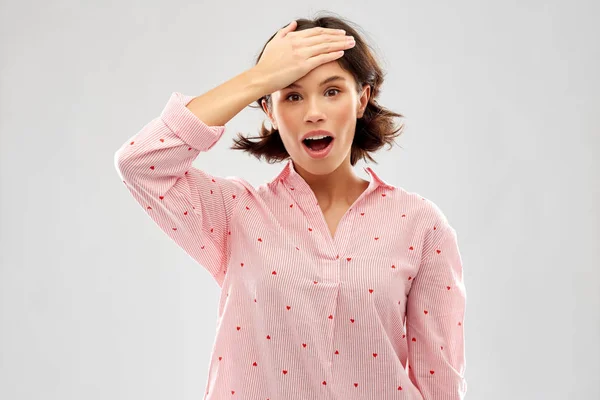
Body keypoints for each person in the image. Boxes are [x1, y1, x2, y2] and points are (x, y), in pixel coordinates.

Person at [114, 14, 467, 400]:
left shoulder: (421, 225)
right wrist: (258, 78)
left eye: (332, 91)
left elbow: (441, 382)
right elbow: (141, 162)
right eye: (292, 95)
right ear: (268, 109)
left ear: (361, 99)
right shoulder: (235, 213)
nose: (313, 112)